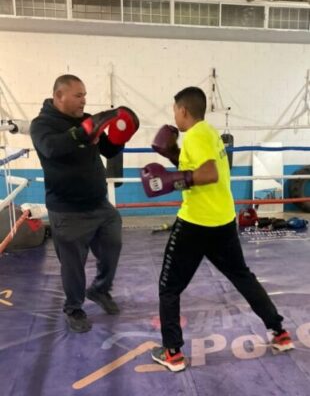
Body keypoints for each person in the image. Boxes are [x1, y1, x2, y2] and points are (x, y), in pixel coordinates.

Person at [141, 86, 294, 372]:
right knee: (242, 276)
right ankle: (280, 332)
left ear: (183, 110)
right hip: (222, 221)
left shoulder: (196, 135)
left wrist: (174, 179)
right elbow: (200, 167)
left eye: (174, 109)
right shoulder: (209, 132)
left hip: (196, 224)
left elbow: (208, 174)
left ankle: (172, 352)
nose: (173, 115)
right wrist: (174, 156)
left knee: (168, 287)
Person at [30, 74, 139, 333]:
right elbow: (51, 148)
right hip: (67, 209)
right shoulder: (42, 124)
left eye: (85, 95)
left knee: (113, 244)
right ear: (59, 96)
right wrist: (83, 131)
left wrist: (121, 135)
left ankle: (100, 290)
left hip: (99, 204)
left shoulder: (86, 120)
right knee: (73, 265)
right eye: (78, 95)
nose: (83, 100)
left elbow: (108, 151)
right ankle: (74, 308)